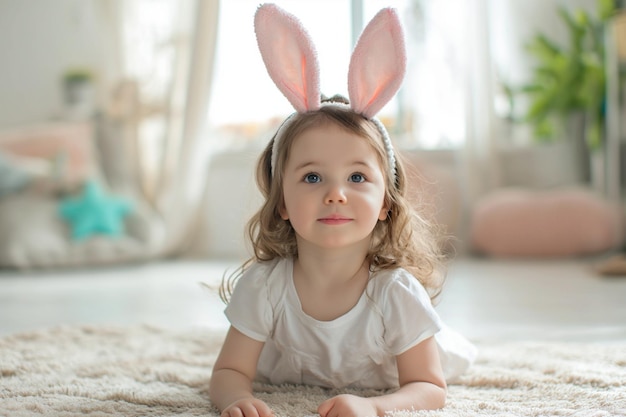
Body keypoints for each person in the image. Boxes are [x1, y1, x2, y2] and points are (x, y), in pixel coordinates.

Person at [209, 4, 476, 417]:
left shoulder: (395, 292)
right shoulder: (264, 286)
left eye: (357, 178)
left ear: (385, 202)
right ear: (281, 202)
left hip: (385, 381)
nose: (336, 194)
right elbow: (229, 370)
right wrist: (237, 399)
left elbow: (428, 386)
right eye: (313, 178)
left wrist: (375, 408)